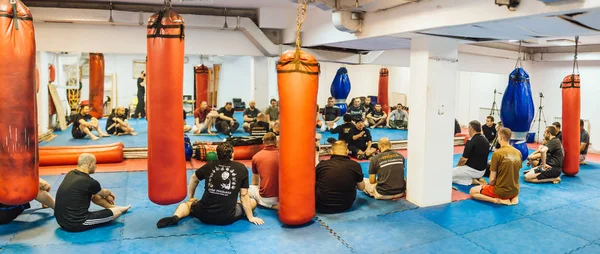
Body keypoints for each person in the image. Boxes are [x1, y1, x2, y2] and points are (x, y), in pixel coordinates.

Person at [157, 143, 264, 228]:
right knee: (253, 202)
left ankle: (176, 217)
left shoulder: (210, 165)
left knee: (188, 205)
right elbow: (244, 195)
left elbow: (194, 178)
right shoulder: (242, 168)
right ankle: (235, 206)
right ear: (232, 154)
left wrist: (191, 197)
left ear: (217, 155)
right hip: (226, 218)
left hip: (204, 214)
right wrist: (250, 217)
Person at [54, 154, 131, 232]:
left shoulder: (70, 174)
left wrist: (106, 195)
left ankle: (112, 207)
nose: (96, 166)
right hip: (76, 223)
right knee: (117, 212)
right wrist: (109, 193)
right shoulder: (90, 182)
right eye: (95, 164)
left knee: (93, 195)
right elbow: (104, 193)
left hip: (60, 221)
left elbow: (95, 195)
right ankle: (116, 209)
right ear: (89, 164)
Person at [470, 127, 520, 205]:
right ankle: (513, 197)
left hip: (501, 192)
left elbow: (492, 180)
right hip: (515, 190)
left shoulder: (497, 154)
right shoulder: (518, 152)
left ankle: (497, 200)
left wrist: (488, 187)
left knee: (472, 191)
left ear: (500, 138)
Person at [315, 140, 365, 213]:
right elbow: (361, 188)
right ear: (347, 151)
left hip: (322, 205)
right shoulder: (355, 165)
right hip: (346, 205)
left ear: (331, 152)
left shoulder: (322, 165)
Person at [452, 120, 489, 186]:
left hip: (472, 170)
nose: (468, 130)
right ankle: (478, 178)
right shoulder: (485, 140)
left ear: (472, 129)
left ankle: (472, 181)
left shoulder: (471, 141)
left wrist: (458, 166)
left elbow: (464, 159)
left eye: (469, 128)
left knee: (448, 176)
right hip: (482, 171)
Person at [250, 133, 279, 210]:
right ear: (276, 141)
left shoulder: (256, 156)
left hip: (268, 198)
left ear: (263, 142)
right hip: (286, 197)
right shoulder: (286, 155)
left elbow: (255, 181)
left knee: (248, 190)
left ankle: (267, 205)